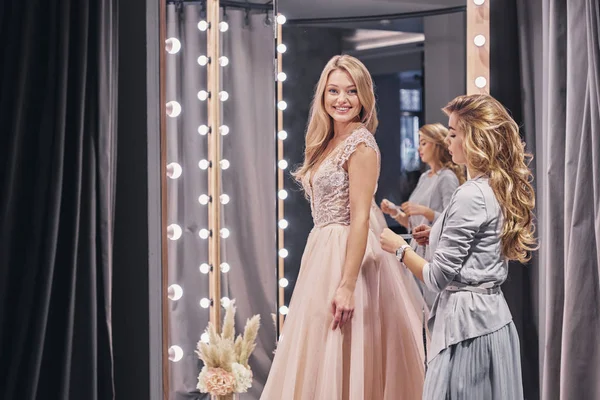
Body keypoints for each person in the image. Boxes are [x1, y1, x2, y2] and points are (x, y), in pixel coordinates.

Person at [261, 55, 426, 399]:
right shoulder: (327, 142)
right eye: (333, 91)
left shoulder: (361, 144)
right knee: (320, 352)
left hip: (350, 254)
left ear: (364, 96)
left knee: (345, 348)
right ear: (322, 96)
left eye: (351, 91)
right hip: (321, 249)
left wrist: (348, 285)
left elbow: (361, 218)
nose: (342, 99)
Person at [380, 94, 536, 399]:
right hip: (491, 319)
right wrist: (435, 234)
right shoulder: (494, 186)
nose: (447, 142)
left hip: (467, 330)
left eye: (453, 134)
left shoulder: (470, 195)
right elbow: (477, 247)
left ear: (475, 139)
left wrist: (400, 248)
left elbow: (438, 278)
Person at [380, 123, 465, 306]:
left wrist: (424, 211)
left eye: (424, 143)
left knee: (428, 308)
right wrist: (395, 212)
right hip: (415, 251)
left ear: (437, 144)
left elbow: (452, 220)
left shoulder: (447, 177)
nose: (419, 148)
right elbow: (413, 225)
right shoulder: (424, 177)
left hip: (431, 253)